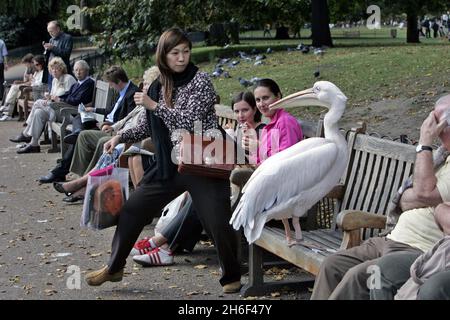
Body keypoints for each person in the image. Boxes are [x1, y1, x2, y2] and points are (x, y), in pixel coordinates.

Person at [84, 28, 242, 294]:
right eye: (175, 53)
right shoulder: (160, 84)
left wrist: (154, 104)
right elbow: (148, 122)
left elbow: (192, 122)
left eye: (186, 52)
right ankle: (114, 268)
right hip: (170, 164)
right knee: (133, 209)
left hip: (204, 161)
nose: (181, 58)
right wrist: (122, 137)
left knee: (216, 221)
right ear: (164, 55)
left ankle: (232, 276)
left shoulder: (200, 80)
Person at [311, 95, 450, 300]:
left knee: (361, 277)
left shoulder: (430, 154)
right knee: (332, 265)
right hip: (390, 238)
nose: (435, 127)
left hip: (418, 249)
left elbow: (421, 193)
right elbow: (405, 199)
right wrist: (419, 196)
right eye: (434, 120)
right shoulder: (440, 157)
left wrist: (424, 143)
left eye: (440, 121)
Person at [129, 91, 267, 267]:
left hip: (246, 187)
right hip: (229, 180)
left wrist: (252, 148)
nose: (240, 115)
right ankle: (164, 247)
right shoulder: (240, 128)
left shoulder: (261, 131)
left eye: (245, 110)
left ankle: (161, 244)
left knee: (203, 196)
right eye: (237, 111)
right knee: (199, 193)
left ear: (254, 110)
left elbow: (260, 163)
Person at [67, 65, 139, 181]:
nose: (111, 86)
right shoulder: (122, 91)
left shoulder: (132, 93)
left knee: (98, 140)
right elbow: (111, 110)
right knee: (83, 135)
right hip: (107, 124)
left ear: (119, 81)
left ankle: (88, 179)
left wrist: (109, 124)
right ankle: (79, 174)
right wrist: (94, 110)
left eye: (111, 84)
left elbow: (128, 119)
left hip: (115, 130)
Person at [9, 57, 76, 154]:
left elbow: (69, 99)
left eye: (57, 68)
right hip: (55, 110)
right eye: (52, 69)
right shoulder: (54, 81)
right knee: (38, 112)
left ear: (62, 68)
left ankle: (26, 133)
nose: (54, 71)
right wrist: (48, 99)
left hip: (66, 112)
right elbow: (53, 97)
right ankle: (34, 144)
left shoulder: (68, 78)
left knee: (37, 103)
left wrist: (51, 100)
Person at [394, 202, 450, 300]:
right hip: (436, 255)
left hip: (419, 246)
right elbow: (441, 208)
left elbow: (423, 193)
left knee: (433, 288)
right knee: (382, 268)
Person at [0, 54, 45, 121]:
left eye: (37, 64)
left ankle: (6, 107)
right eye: (35, 64)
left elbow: (37, 84)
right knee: (13, 88)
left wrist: (31, 80)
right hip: (30, 89)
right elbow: (29, 81)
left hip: (34, 91)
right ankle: (7, 112)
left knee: (15, 88)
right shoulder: (36, 72)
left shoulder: (42, 73)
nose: (35, 66)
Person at [43, 20, 73, 89]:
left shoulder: (67, 38)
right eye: (49, 32)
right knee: (52, 90)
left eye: (52, 31)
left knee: (62, 90)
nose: (50, 33)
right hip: (52, 70)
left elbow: (66, 53)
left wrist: (53, 48)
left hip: (62, 70)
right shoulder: (51, 40)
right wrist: (46, 50)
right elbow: (49, 55)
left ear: (58, 29)